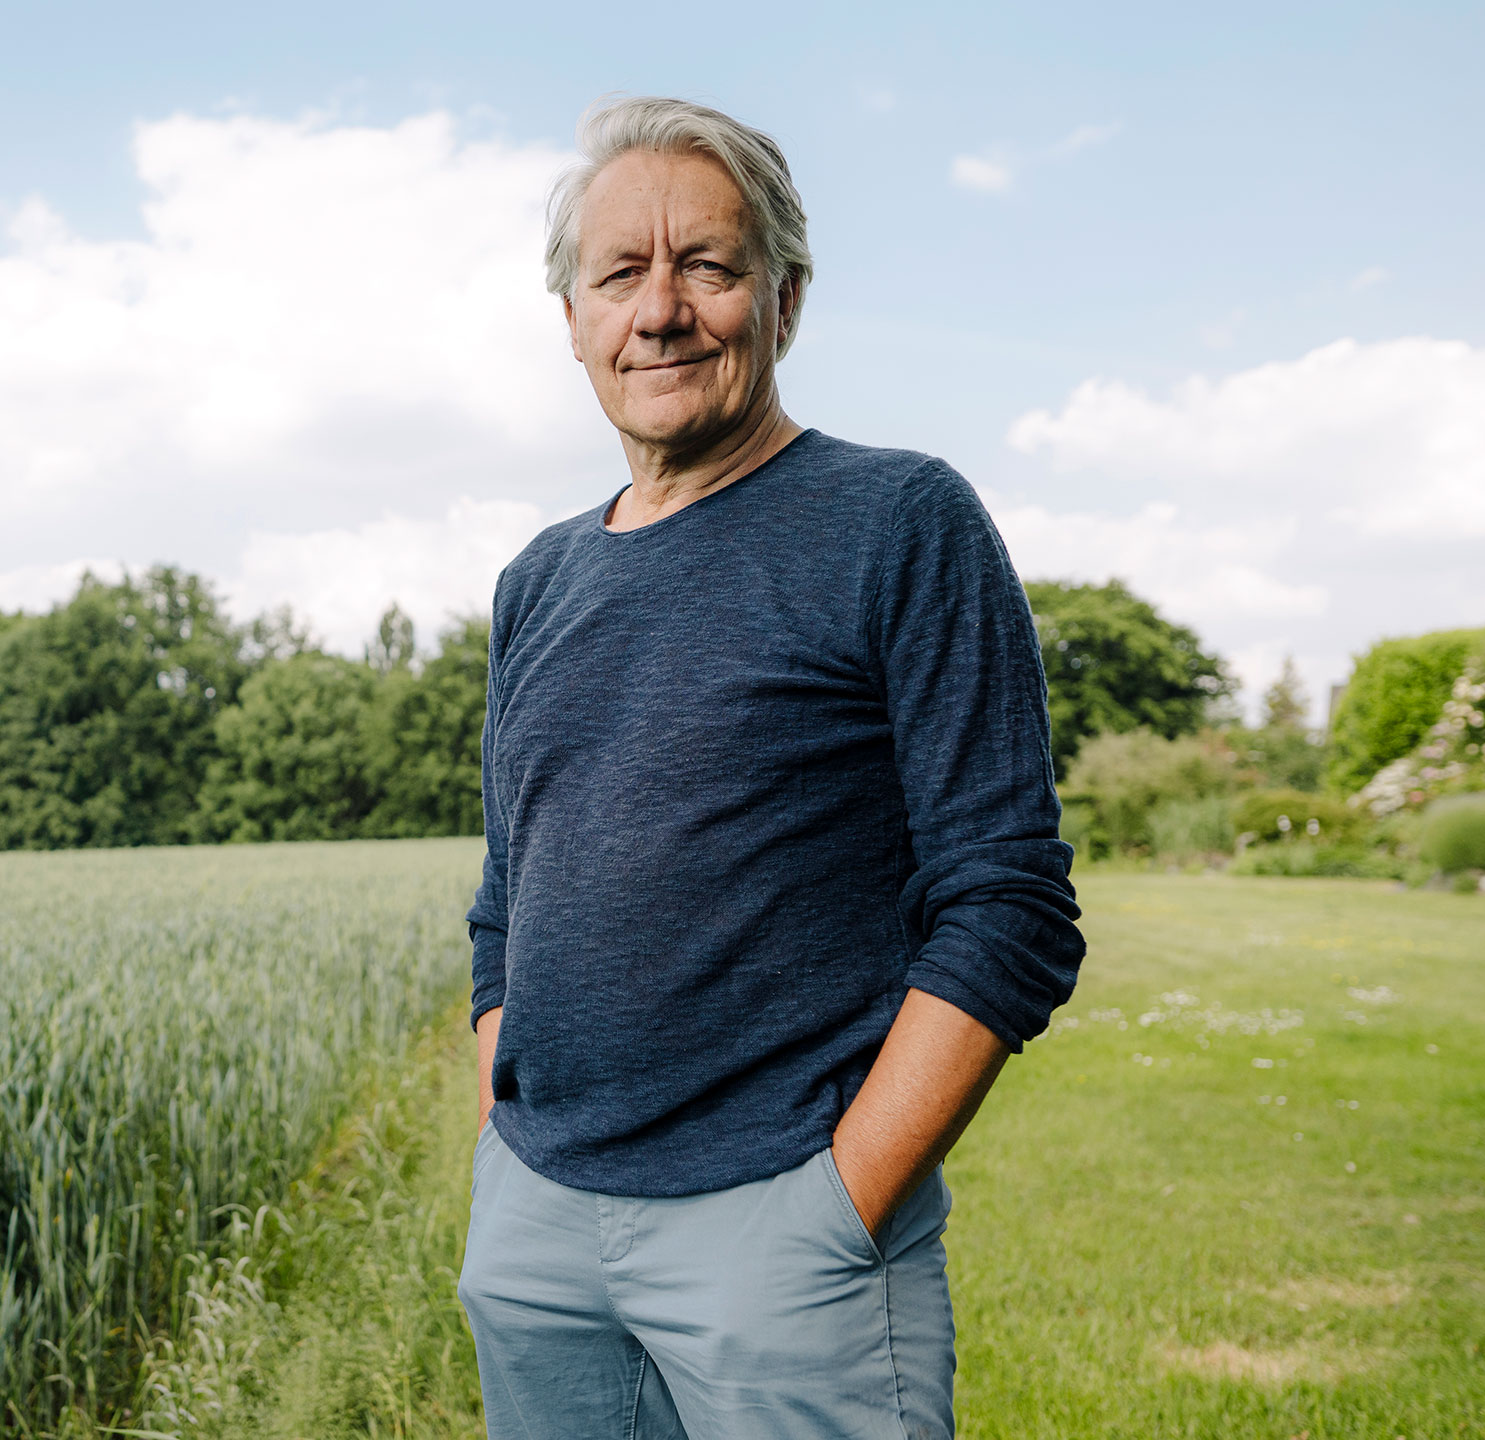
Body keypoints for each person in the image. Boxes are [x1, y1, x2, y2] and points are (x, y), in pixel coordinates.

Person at [456, 96, 1085, 1440]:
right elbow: (508, 893)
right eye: (619, 272)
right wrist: (513, 1112)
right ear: (572, 317)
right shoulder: (537, 581)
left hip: (782, 1236)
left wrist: (838, 1205)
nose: (662, 309)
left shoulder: (900, 520)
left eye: (710, 267)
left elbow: (1008, 903)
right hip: (538, 1230)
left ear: (787, 299)